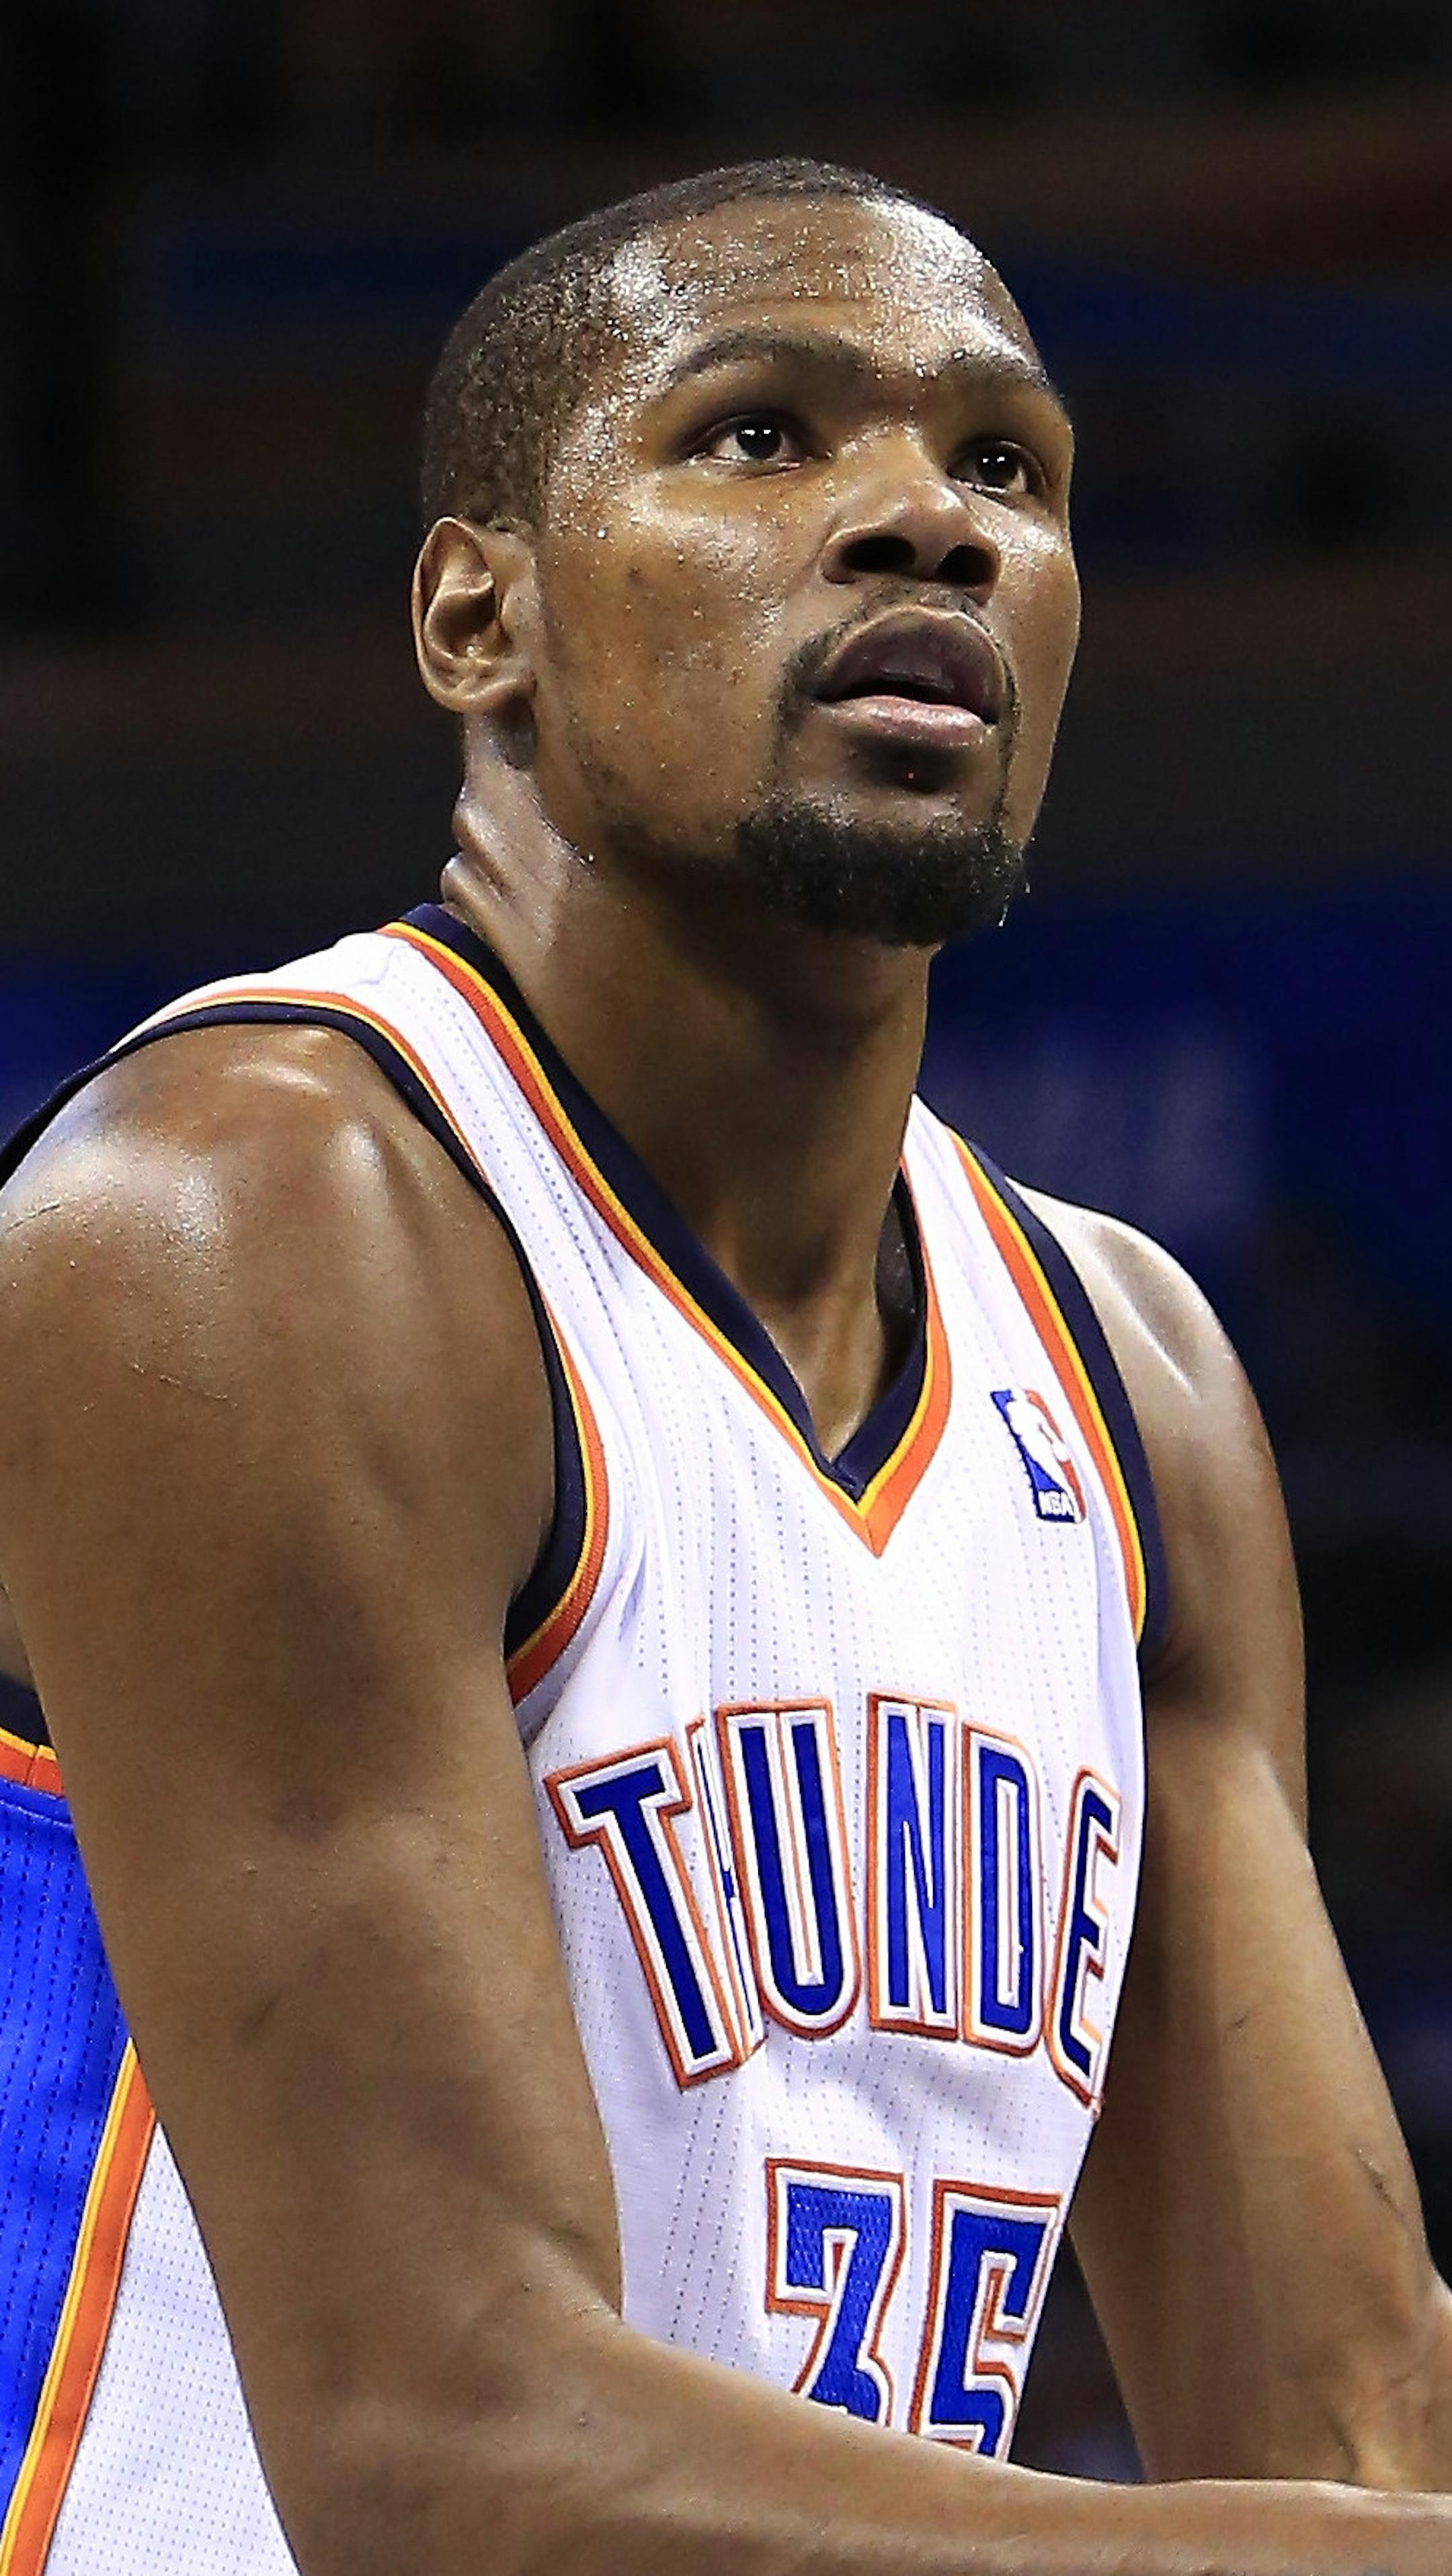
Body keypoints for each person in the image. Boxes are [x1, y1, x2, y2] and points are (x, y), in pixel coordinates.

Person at [0, 155, 1448, 2576]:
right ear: (482, 613)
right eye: (762, 435)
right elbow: (452, 2459)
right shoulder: (255, 1214)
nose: (928, 524)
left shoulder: (1133, 1382)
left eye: (1009, 468)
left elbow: (1337, 2411)